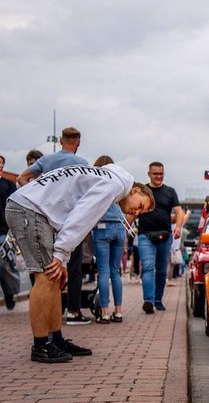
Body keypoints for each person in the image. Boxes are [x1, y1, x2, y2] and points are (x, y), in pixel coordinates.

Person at [4, 163, 154, 362]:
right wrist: (60, 254)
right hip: (29, 209)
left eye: (140, 213)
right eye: (140, 206)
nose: (136, 213)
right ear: (135, 190)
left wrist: (62, 259)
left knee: (54, 278)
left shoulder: (106, 176)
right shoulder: (113, 186)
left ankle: (56, 340)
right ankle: (40, 345)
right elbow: (81, 217)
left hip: (31, 207)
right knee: (46, 276)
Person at [17, 127, 92, 325]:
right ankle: (74, 311)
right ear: (78, 142)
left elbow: (21, 178)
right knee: (73, 268)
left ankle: (51, 313)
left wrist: (37, 196)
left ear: (60, 140)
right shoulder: (82, 163)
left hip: (46, 219)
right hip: (70, 221)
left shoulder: (47, 160)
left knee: (48, 271)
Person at [137, 161, 184, 314]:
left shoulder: (170, 192)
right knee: (148, 267)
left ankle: (158, 300)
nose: (158, 176)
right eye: (155, 173)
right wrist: (124, 230)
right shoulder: (142, 191)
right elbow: (131, 212)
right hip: (145, 236)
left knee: (162, 271)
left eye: (161, 173)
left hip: (165, 236)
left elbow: (179, 212)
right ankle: (148, 301)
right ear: (149, 174)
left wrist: (178, 227)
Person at [91, 155, 127, 323]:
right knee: (115, 270)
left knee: (103, 271)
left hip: (102, 226)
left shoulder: (95, 181)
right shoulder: (118, 182)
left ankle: (104, 312)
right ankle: (118, 311)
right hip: (120, 226)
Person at [0, 154, 21, 310]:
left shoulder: (8, 185)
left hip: (3, 231)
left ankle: (9, 293)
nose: (0, 165)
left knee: (5, 265)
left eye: (1, 163)